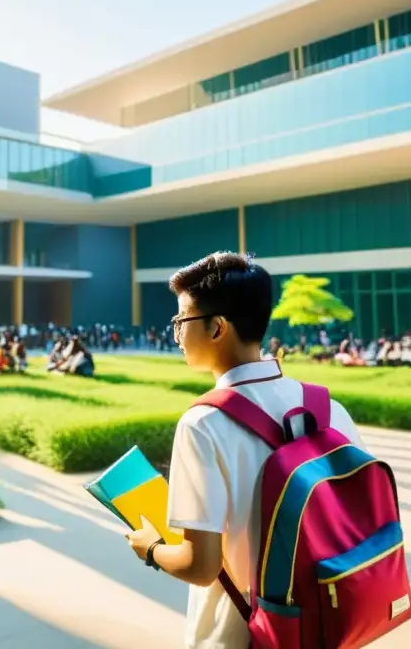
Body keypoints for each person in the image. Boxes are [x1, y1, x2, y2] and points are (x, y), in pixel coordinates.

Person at [125, 251, 365, 648]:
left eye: (181, 321)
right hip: (326, 622)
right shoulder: (327, 409)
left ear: (217, 327)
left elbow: (200, 566)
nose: (177, 335)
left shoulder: (203, 424)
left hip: (242, 634)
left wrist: (149, 548)